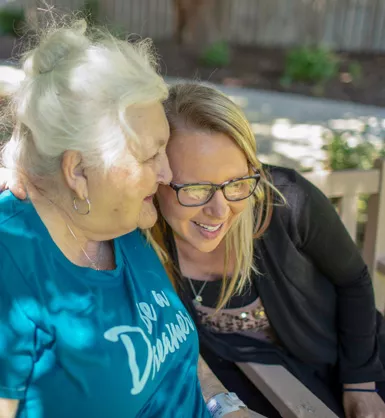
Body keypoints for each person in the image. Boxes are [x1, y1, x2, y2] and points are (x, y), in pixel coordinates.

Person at [0, 18, 252, 418]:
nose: (168, 174)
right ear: (78, 171)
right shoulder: (13, 274)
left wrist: (226, 407)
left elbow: (174, 359)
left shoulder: (123, 226)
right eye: (149, 155)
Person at [147, 83, 385, 418]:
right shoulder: (143, 243)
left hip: (352, 355)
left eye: (236, 183)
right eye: (197, 188)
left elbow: (354, 280)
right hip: (251, 382)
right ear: (155, 179)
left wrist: (361, 381)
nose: (220, 210)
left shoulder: (287, 201)